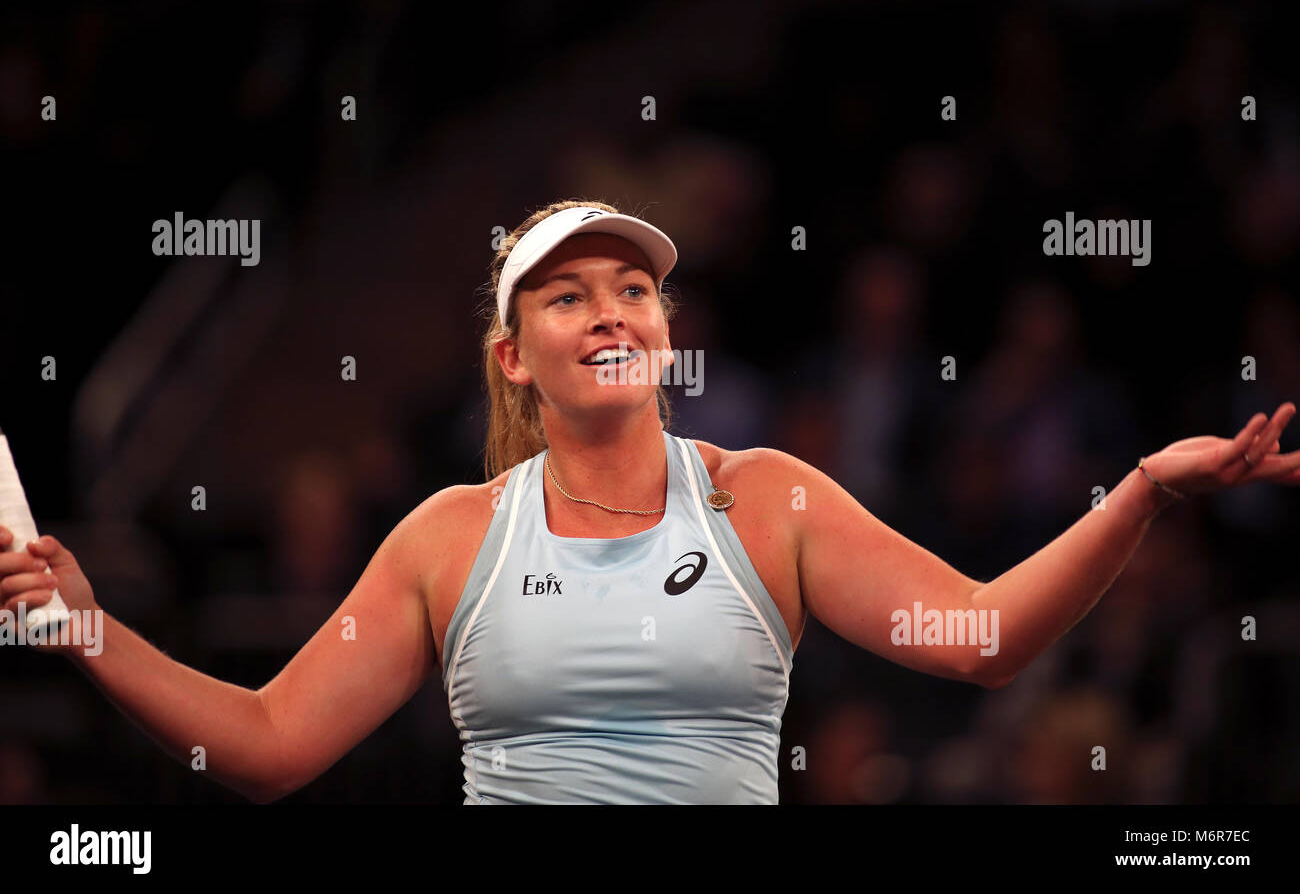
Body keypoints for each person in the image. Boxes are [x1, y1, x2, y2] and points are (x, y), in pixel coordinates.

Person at [2, 198, 1298, 804]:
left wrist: (1139, 493)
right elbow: (272, 744)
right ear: (516, 356)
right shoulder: (450, 535)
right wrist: (87, 630)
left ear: (668, 330)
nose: (611, 309)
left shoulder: (770, 503)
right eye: (568, 293)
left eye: (634, 287)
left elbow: (981, 639)